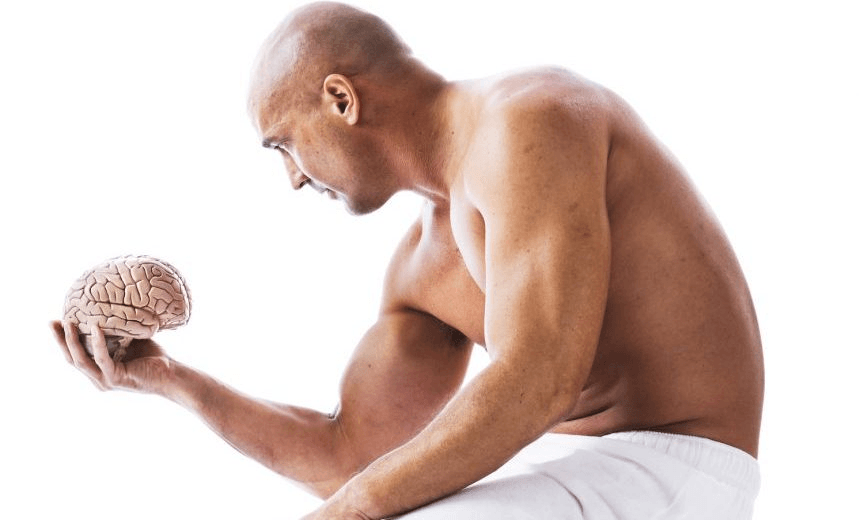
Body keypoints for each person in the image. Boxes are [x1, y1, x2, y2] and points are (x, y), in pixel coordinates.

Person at [51, 2, 764, 519]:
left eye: (283, 145)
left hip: (675, 467)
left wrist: (351, 513)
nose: (294, 178)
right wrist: (171, 378)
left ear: (340, 99)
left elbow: (539, 377)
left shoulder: (530, 118)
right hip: (565, 470)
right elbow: (350, 458)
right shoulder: (423, 267)